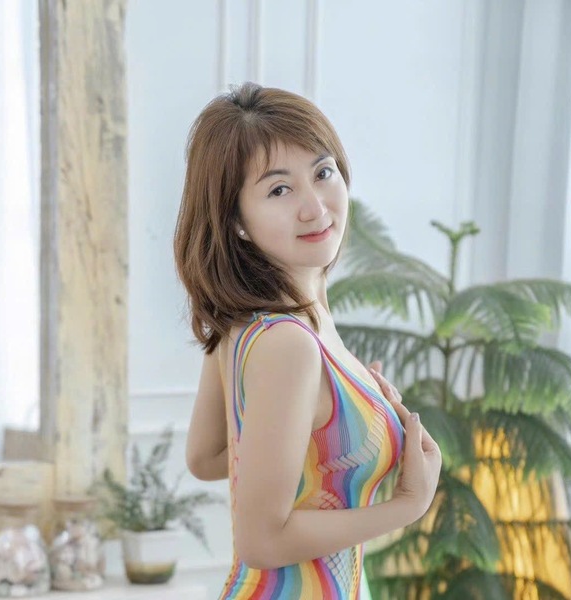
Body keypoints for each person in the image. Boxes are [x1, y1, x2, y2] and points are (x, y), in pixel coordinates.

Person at [174, 82, 441, 600]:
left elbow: (207, 457)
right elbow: (261, 540)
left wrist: (342, 419)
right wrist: (406, 506)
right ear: (236, 221)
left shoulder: (251, 323)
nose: (315, 207)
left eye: (323, 173)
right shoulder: (287, 343)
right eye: (279, 190)